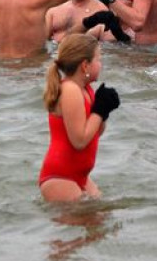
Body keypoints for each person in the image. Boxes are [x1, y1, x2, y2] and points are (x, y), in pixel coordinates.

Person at [38, 33, 121, 202]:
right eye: (98, 59)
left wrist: (104, 112)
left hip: (80, 176)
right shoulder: (70, 89)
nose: (101, 64)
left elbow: (95, 133)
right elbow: (79, 141)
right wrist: (98, 111)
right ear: (85, 65)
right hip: (60, 176)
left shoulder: (86, 89)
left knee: (104, 221)